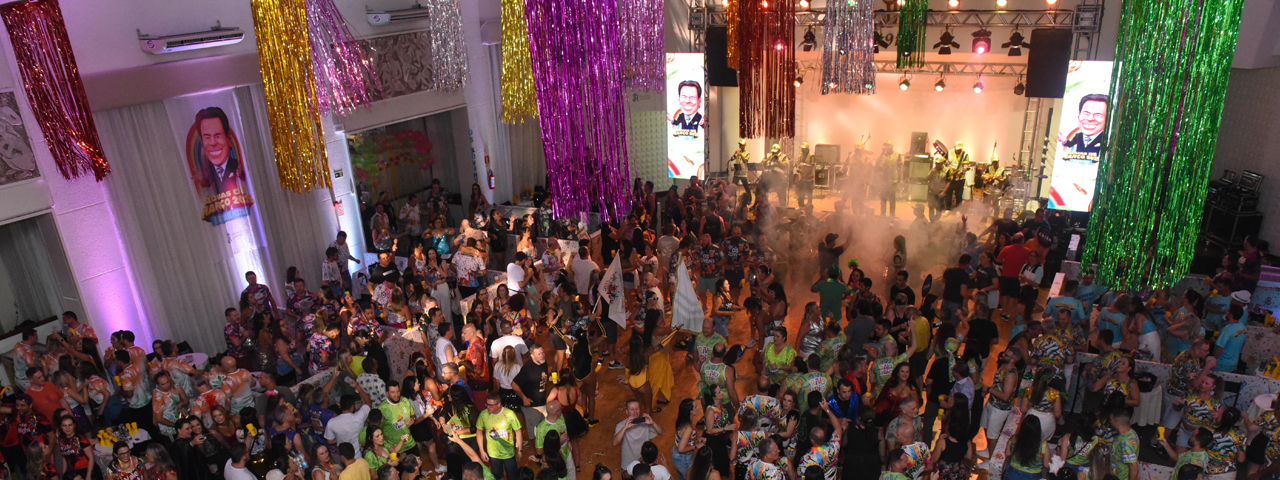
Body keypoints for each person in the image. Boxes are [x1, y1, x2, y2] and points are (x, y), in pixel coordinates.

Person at [476, 395, 523, 480]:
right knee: (497, 477)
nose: (488, 407)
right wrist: (481, 450)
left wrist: (520, 450)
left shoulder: (509, 414)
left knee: (513, 477)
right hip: (493, 454)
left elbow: (518, 431)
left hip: (509, 453)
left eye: (491, 405)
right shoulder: (483, 415)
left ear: (498, 404)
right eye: (487, 404)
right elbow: (479, 432)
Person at [615, 399, 664, 474]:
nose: (635, 411)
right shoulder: (620, 425)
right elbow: (615, 442)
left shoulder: (645, 423)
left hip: (644, 462)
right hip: (628, 464)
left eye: (637, 409)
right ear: (626, 411)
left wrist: (653, 423)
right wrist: (625, 428)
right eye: (632, 409)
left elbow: (661, 432)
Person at [1215, 305, 1247, 373]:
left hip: (1221, 363)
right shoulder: (1243, 327)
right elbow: (1243, 342)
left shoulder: (1227, 330)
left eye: (1227, 311)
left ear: (1231, 315)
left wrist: (1214, 359)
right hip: (1234, 361)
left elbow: (1220, 348)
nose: (1225, 313)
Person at [1110, 409, 1139, 480]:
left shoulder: (1126, 444)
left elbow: (1134, 467)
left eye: (1111, 420)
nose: (1110, 422)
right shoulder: (1131, 432)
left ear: (1118, 423)